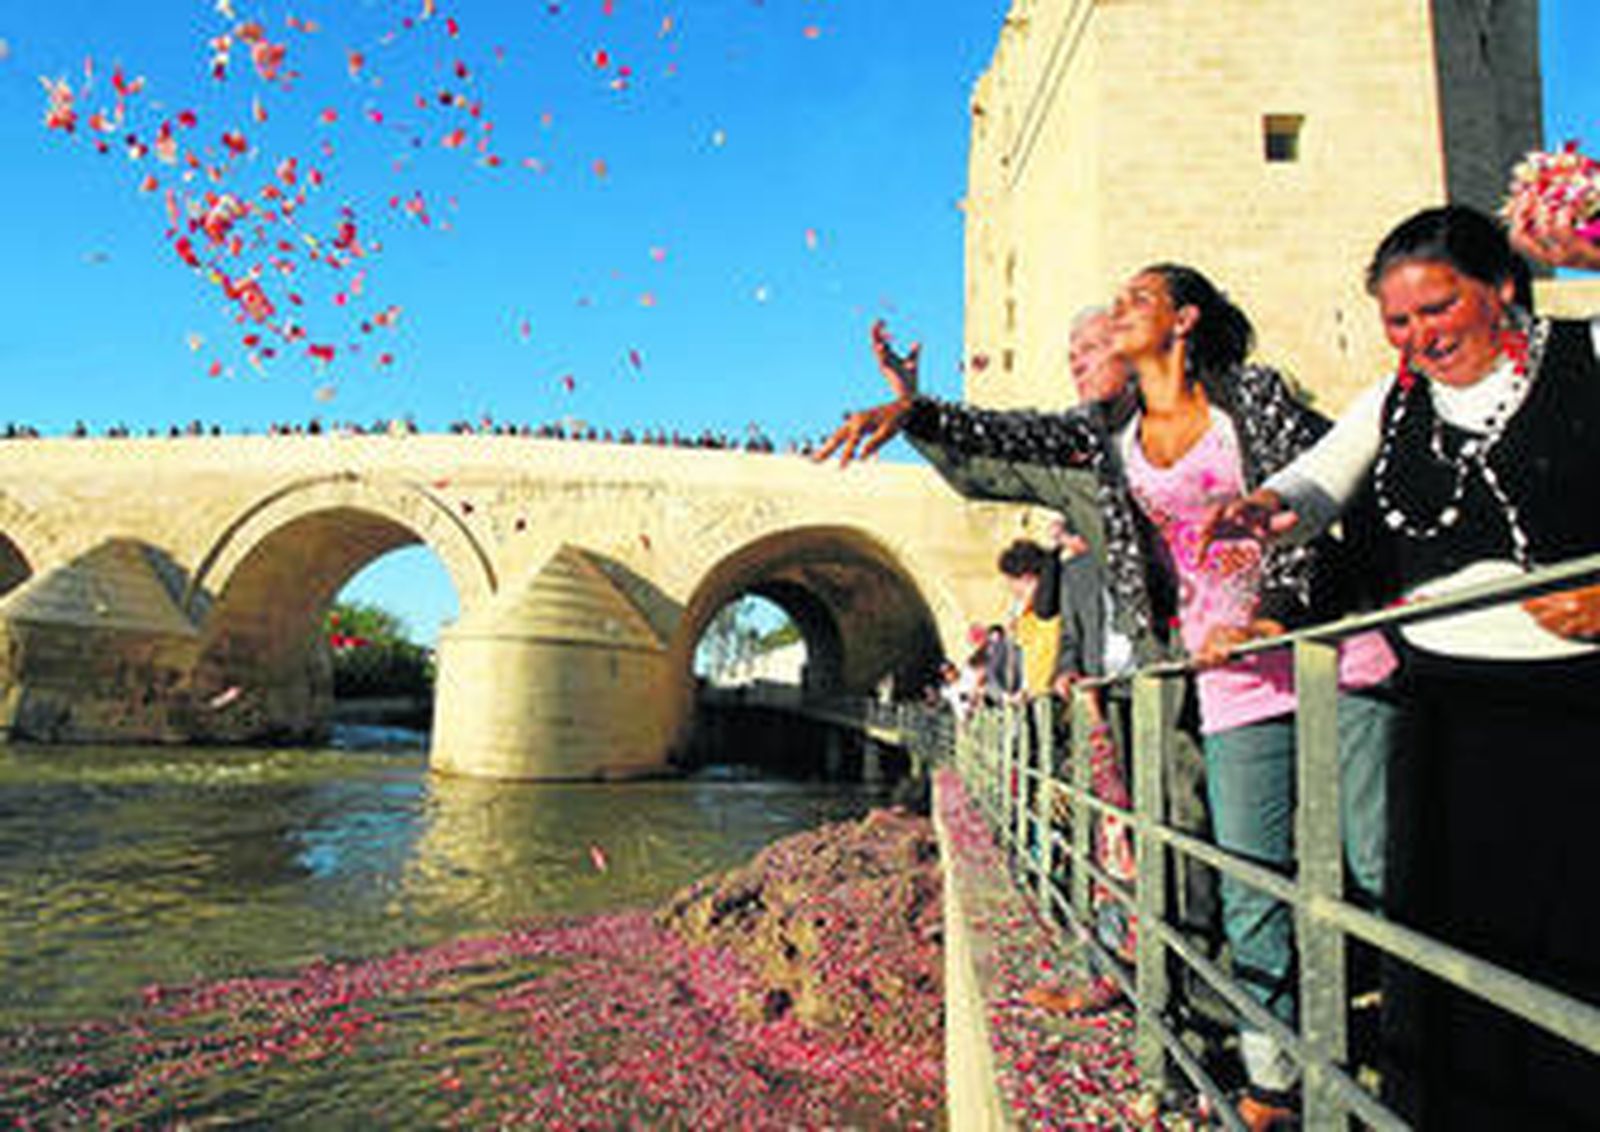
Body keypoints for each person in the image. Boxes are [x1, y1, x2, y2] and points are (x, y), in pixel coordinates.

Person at [817, 265, 1400, 1126]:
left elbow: (1325, 478)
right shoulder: (1104, 434)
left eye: (1130, 307)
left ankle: (1395, 1056)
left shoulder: (1253, 397)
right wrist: (917, 411)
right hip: (1214, 672)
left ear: (1182, 321)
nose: (1108, 324)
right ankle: (1265, 1075)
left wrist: (1284, 609)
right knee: (1238, 876)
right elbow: (1004, 440)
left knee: (1369, 864)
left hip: (1315, 651)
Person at [1210, 203, 1600, 1130]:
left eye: (1438, 308)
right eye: (1400, 320)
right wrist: (1264, 507)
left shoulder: (1586, 354)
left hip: (1577, 712)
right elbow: (1314, 481)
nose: (1422, 336)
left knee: (1573, 942)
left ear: (1501, 287)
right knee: (1451, 949)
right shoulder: (1392, 402)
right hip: (1444, 712)